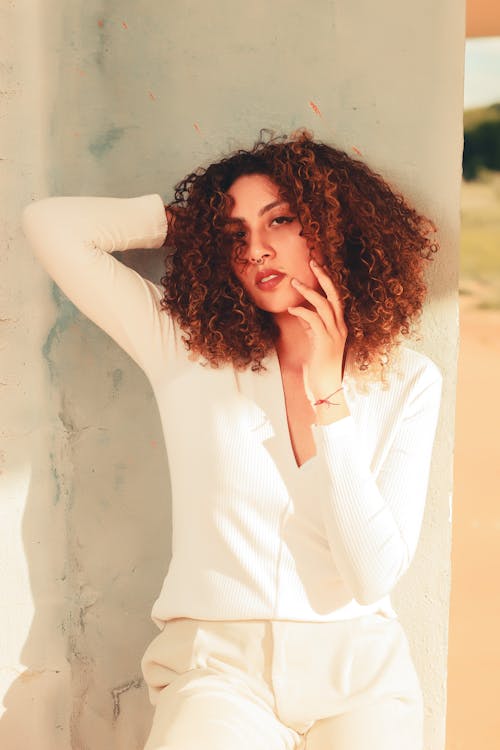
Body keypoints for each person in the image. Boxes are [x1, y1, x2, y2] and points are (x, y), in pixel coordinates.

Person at [22, 129, 443, 750]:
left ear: (331, 225)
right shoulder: (185, 350)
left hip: (360, 674)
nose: (256, 249)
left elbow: (371, 577)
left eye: (281, 221)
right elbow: (52, 226)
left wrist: (328, 396)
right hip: (217, 670)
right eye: (236, 233)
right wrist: (190, 225)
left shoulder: (407, 380)